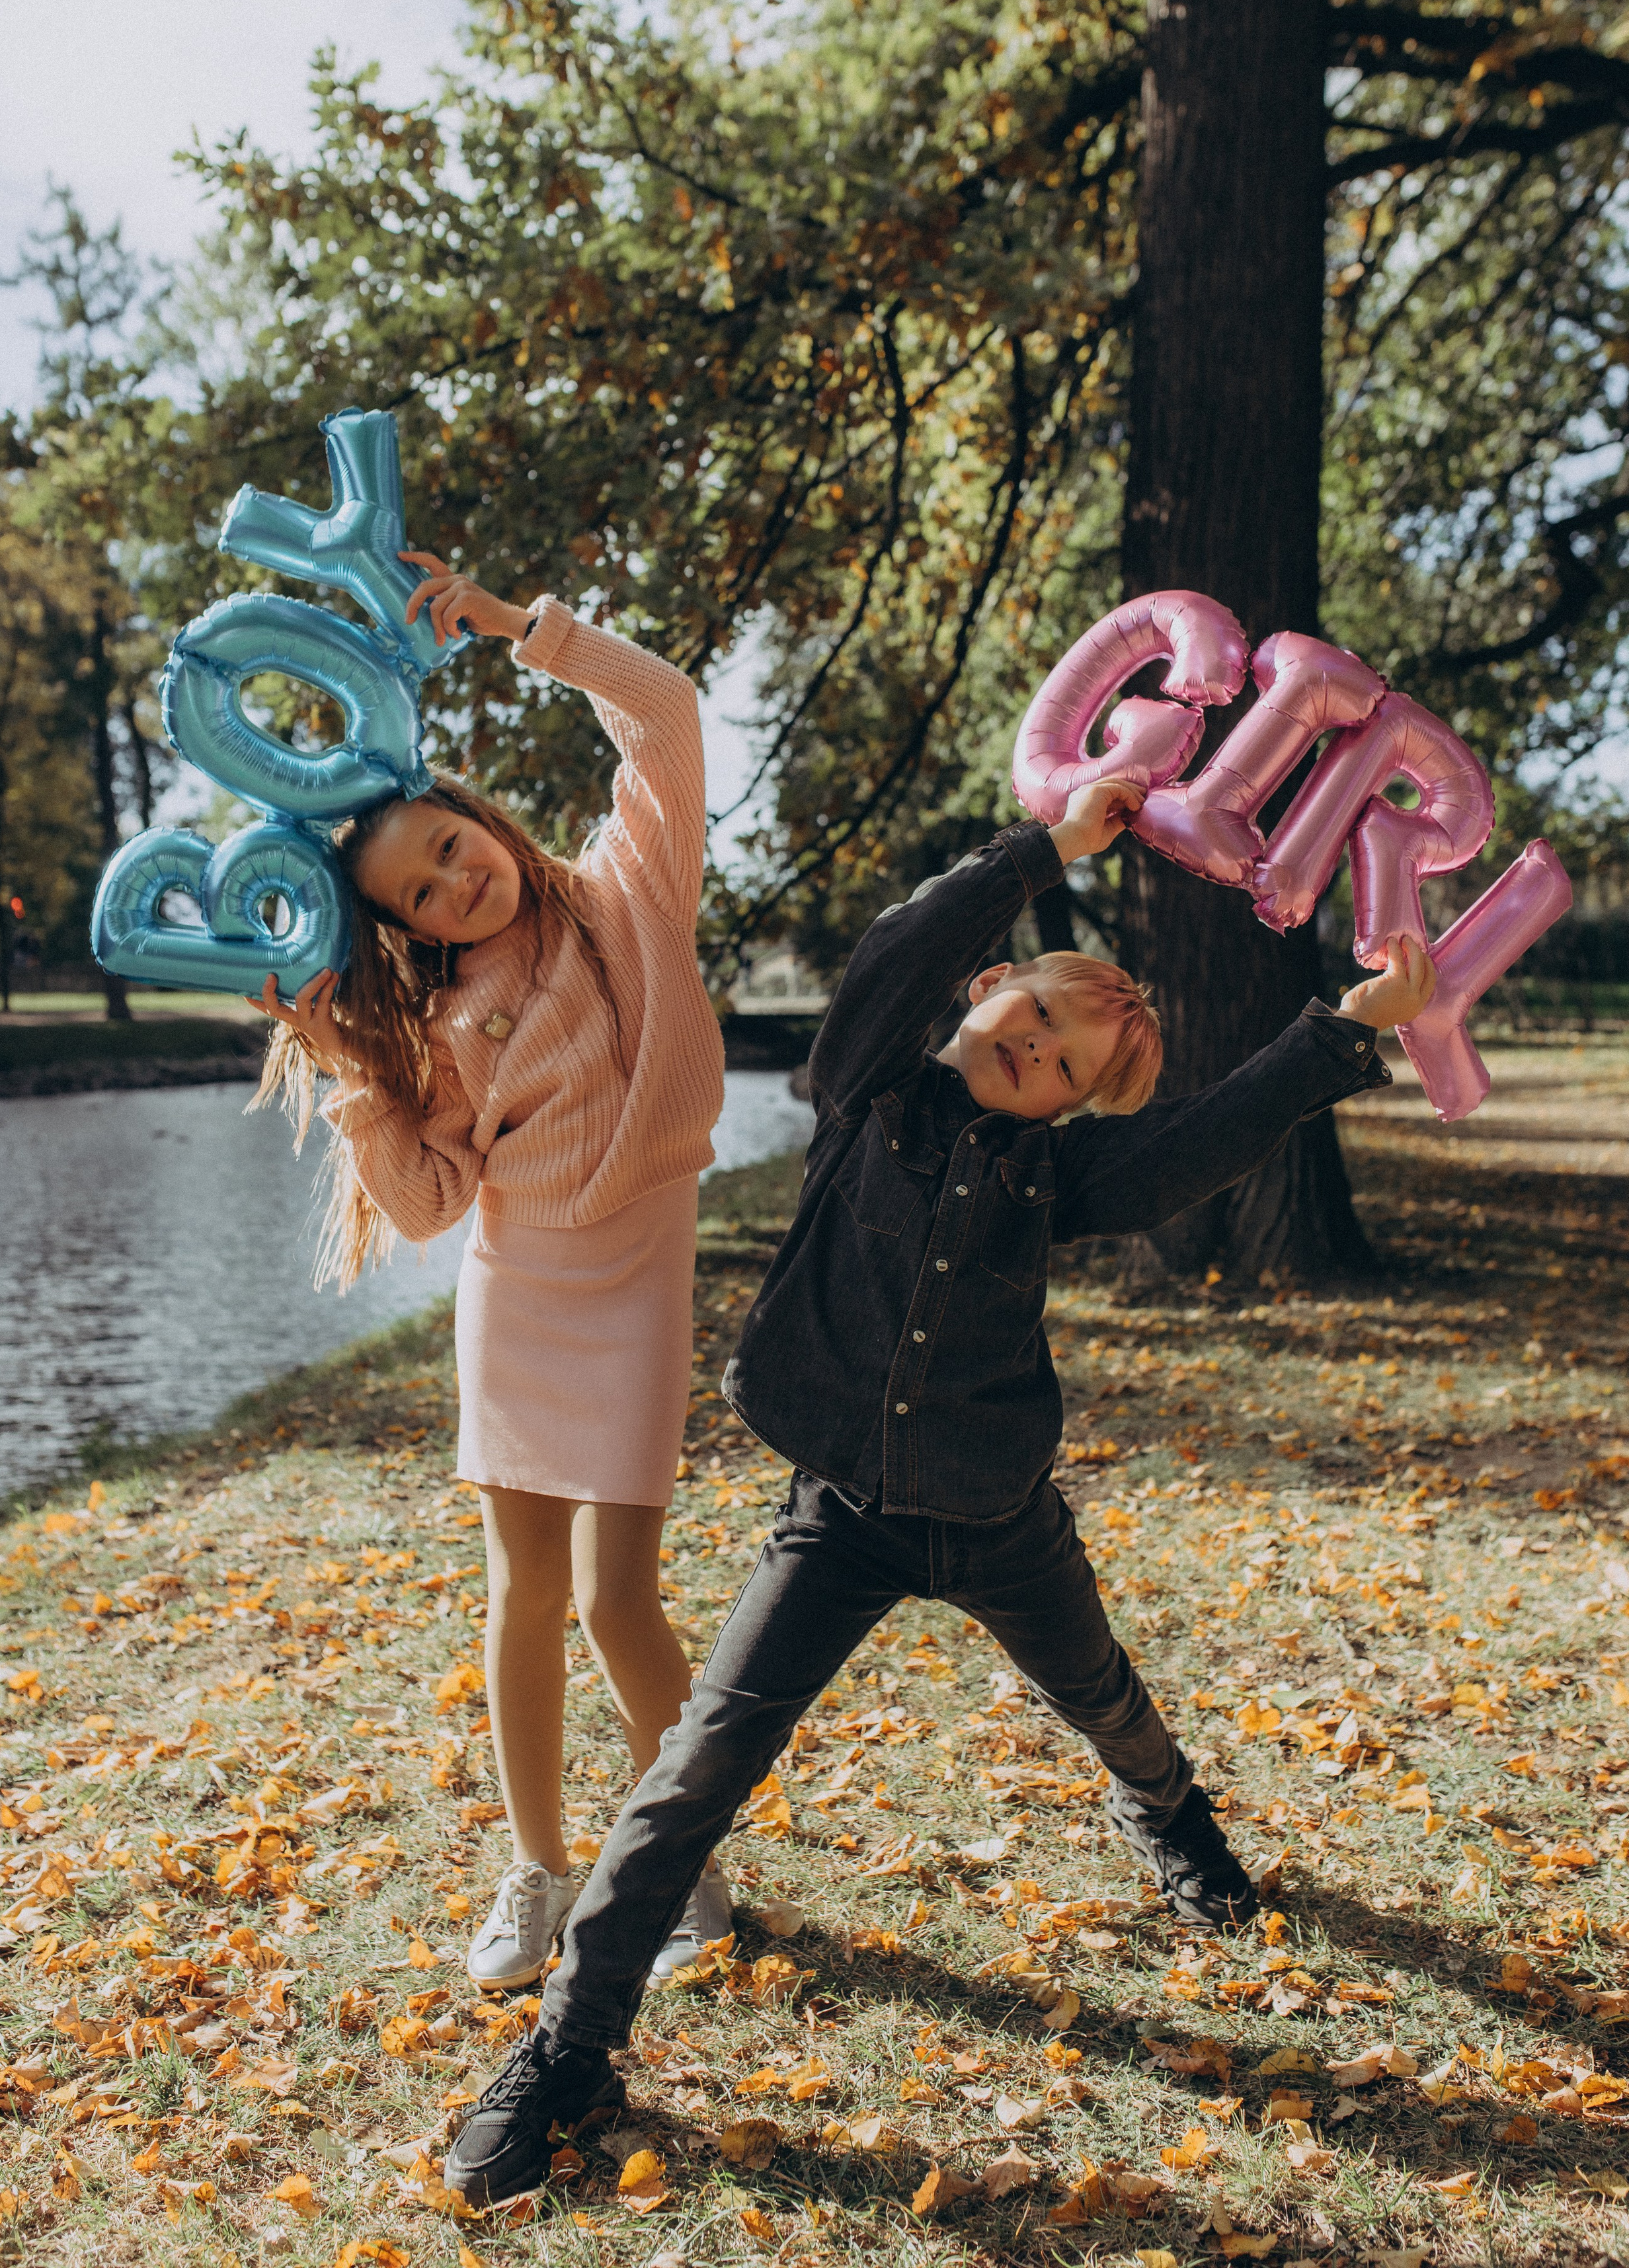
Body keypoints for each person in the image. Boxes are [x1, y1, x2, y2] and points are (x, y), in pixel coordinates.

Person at [441, 783, 1440, 2204]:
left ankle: (1168, 1816)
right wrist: (1043, 852)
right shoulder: (864, 1089)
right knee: (692, 1777)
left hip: (992, 1512)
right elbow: (894, 951)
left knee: (1097, 1692)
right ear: (984, 991)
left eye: (1059, 1066)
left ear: (1072, 1108)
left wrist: (1340, 1030)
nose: (1030, 1052)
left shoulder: (1062, 1178)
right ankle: (568, 2055)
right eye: (1029, 1020)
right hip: (837, 1515)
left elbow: (1200, 1141)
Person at [251, 555, 731, 1996]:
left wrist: (523, 628)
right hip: (518, 1295)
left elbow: (665, 716)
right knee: (522, 1595)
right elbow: (427, 1204)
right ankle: (533, 1874)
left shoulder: (625, 890)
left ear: (476, 817)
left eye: (451, 849)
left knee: (614, 1602)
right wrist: (349, 1071)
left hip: (635, 1281)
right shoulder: (446, 1020)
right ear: (408, 929)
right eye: (425, 897)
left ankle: (683, 1856)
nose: (459, 884)